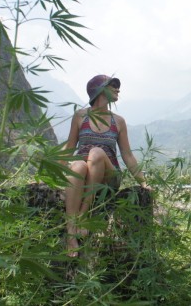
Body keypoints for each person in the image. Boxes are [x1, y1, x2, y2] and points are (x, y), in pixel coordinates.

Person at [63, 74, 150, 256]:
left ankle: (84, 215)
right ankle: (71, 233)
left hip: (108, 176)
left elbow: (127, 154)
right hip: (84, 173)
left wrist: (143, 182)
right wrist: (49, 174)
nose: (118, 89)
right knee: (77, 166)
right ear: (100, 90)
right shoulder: (80, 116)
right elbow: (70, 147)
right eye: (113, 86)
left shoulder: (118, 121)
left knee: (96, 153)